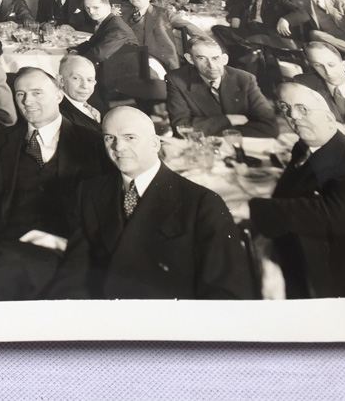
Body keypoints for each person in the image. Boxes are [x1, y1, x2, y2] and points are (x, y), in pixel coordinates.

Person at [46, 106, 253, 299]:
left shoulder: (203, 203)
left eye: (130, 138)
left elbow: (225, 293)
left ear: (155, 143)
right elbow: (75, 268)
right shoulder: (91, 192)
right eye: (110, 138)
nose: (119, 147)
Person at [0, 67, 105, 302]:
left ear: (59, 95)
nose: (27, 101)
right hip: (4, 242)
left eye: (37, 93)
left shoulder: (93, 143)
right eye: (20, 94)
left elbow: (102, 208)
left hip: (64, 248)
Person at [249, 82, 345, 299]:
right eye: (286, 108)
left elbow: (331, 214)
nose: (293, 116)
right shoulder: (306, 147)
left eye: (303, 109)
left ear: (329, 117)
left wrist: (256, 208)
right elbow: (293, 193)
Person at [165, 36, 278, 137]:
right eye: (202, 58)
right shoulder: (176, 80)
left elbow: (270, 127)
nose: (212, 66)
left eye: (215, 58)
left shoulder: (245, 79)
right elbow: (181, 128)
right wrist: (228, 120)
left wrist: (219, 131)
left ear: (224, 59)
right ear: (190, 59)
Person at [123, 0, 179, 71]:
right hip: (130, 56)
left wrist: (201, 38)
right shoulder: (125, 13)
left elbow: (186, 25)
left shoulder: (163, 13)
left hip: (155, 58)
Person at [72, 0, 138, 65]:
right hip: (111, 64)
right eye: (87, 8)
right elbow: (91, 43)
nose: (91, 11)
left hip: (122, 68)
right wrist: (74, 51)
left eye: (96, 7)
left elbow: (98, 55)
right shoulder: (108, 21)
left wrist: (73, 59)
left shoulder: (117, 28)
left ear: (108, 7)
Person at [57, 54, 103, 132]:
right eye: (76, 78)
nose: (84, 86)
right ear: (61, 80)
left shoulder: (92, 105)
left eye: (89, 80)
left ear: (95, 83)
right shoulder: (60, 115)